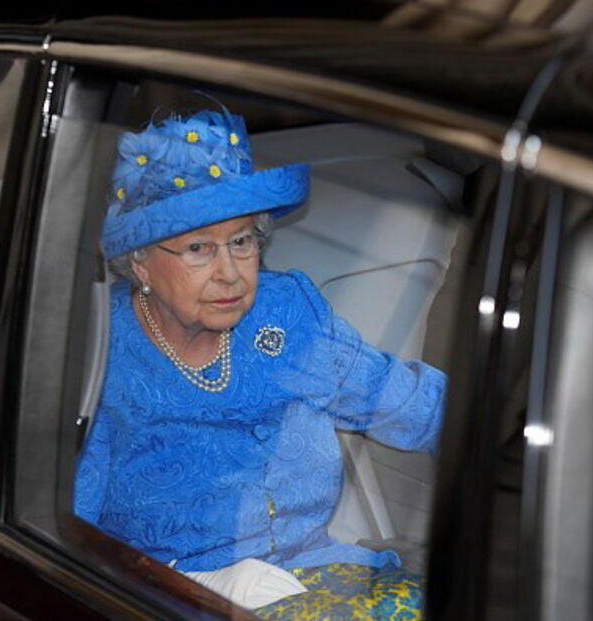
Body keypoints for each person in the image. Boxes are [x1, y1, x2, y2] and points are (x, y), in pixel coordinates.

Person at [75, 108, 446, 619]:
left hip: (324, 572)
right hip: (166, 598)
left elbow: (399, 400)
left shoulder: (288, 311)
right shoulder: (98, 351)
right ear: (139, 260)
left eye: (243, 241)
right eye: (199, 248)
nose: (230, 274)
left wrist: (530, 436)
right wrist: (185, 583)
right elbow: (65, 533)